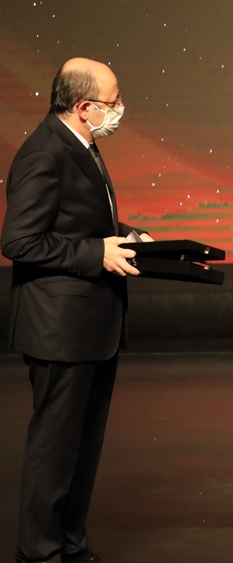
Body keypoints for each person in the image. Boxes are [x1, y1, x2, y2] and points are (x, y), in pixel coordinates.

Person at [2, 58, 151, 563]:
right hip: (59, 327)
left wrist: (128, 236)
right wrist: (95, 253)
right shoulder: (44, 152)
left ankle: (69, 544)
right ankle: (39, 553)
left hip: (91, 327)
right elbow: (19, 241)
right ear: (84, 107)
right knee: (55, 446)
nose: (120, 109)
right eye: (113, 101)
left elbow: (78, 219)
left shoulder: (81, 144)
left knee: (82, 447)